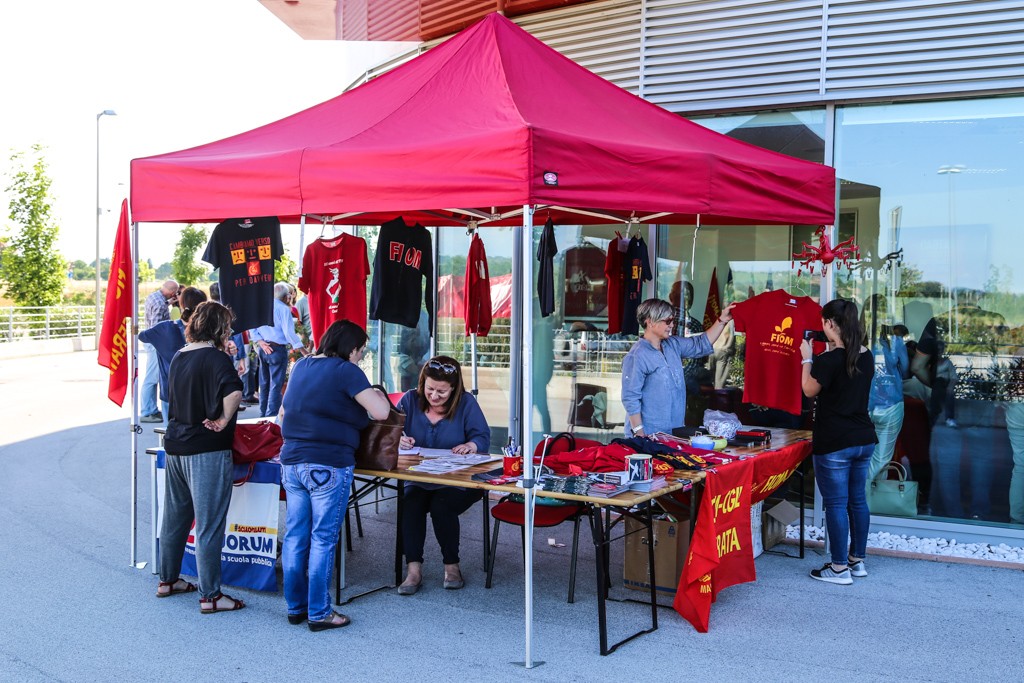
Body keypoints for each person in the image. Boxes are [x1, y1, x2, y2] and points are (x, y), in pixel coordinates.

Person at [279, 320, 390, 631]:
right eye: (361, 351)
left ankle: (295, 607)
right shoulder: (346, 370)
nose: (361, 357)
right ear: (351, 348)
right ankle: (320, 612)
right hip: (328, 462)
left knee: (296, 536)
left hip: (292, 462)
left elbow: (283, 413)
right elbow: (381, 413)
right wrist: (376, 395)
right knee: (323, 539)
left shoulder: (301, 366)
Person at [157, 301, 246, 613]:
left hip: (176, 444)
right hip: (207, 448)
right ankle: (211, 596)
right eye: (228, 326)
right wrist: (223, 419)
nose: (231, 331)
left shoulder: (180, 355)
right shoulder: (217, 358)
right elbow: (234, 393)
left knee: (174, 517)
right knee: (208, 524)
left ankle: (168, 579)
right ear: (219, 328)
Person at [396, 356, 490, 594]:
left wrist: (471, 445)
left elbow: (482, 437)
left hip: (458, 480)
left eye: (442, 391)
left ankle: (452, 566)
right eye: (429, 389)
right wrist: (398, 438)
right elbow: (390, 429)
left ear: (455, 389)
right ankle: (413, 570)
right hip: (418, 477)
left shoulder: (467, 403)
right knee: (411, 504)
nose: (434, 396)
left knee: (441, 506)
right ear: (422, 383)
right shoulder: (409, 400)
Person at [800, 299, 877, 585]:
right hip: (863, 438)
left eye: (824, 323)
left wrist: (807, 357)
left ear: (831, 324)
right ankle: (857, 561)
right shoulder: (866, 355)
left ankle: (839, 567)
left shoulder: (829, 360)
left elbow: (809, 390)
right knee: (857, 500)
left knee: (835, 503)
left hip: (835, 441)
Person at [621, 298, 735, 437]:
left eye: (672, 320)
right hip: (648, 436)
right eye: (667, 321)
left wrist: (722, 320)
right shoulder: (637, 355)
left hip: (673, 434)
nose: (672, 325)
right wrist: (639, 434)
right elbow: (630, 398)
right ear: (650, 322)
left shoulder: (672, 344)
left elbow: (701, 344)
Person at [139, 287, 208, 424]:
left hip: (170, 390)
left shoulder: (164, 329)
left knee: (170, 433)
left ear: (181, 304)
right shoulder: (210, 330)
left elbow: (142, 336)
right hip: (202, 390)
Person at [862, 295, 909, 484]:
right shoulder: (894, 338)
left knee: (858, 456)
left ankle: (858, 500)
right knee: (881, 459)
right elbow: (905, 369)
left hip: (863, 402)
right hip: (890, 403)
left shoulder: (858, 336)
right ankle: (869, 502)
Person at [250, 282, 307, 418]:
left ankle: (263, 414)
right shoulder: (283, 309)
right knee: (276, 385)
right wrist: (304, 351)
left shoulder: (262, 306)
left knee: (264, 384)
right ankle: (271, 416)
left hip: (264, 349)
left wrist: (260, 342)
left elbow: (252, 327)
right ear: (286, 296)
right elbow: (289, 334)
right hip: (277, 349)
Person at [141, 280, 178, 422]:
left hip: (151, 343)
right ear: (172, 291)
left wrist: (168, 303)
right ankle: (148, 411)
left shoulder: (155, 297)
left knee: (152, 376)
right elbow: (157, 328)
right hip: (155, 344)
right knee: (152, 377)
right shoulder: (159, 303)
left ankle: (150, 409)